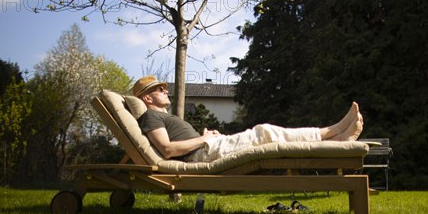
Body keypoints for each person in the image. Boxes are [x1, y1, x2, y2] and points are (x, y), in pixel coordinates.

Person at [132, 76, 364, 162]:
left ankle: (336, 141)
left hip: (209, 146)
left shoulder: (163, 116)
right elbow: (168, 150)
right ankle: (332, 131)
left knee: (270, 139)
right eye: (159, 89)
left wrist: (205, 136)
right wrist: (204, 141)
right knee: (265, 133)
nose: (165, 90)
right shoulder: (151, 117)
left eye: (163, 88)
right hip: (205, 152)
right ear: (147, 98)